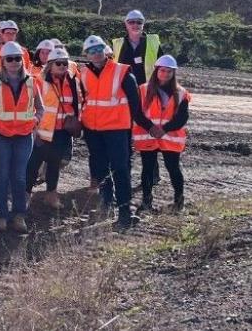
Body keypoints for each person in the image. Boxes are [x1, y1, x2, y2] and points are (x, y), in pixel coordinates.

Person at [79, 35, 145, 229]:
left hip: (117, 131)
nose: (96, 53)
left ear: (106, 50)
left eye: (99, 49)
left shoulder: (122, 72)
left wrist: (143, 128)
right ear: (86, 55)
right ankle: (106, 205)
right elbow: (85, 100)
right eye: (91, 51)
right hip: (93, 130)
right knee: (101, 170)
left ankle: (125, 213)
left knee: (120, 170)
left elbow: (135, 104)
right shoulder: (83, 74)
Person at [0, 42, 43, 233]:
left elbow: (40, 107)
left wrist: (35, 121)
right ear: (3, 61)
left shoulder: (32, 81)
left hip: (23, 136)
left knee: (19, 176)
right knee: (2, 174)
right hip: (0, 136)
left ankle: (19, 215)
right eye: (10, 59)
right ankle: (1, 215)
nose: (14, 62)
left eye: (17, 58)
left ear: (22, 60)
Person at [133, 55, 190, 211]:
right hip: (148, 135)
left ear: (173, 73)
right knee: (147, 169)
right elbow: (137, 113)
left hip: (169, 138)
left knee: (173, 169)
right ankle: (146, 201)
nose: (165, 74)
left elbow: (182, 117)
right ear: (156, 71)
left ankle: (179, 202)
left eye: (169, 72)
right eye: (162, 71)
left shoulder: (181, 93)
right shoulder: (143, 90)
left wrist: (163, 129)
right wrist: (151, 127)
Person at [28, 48, 79, 210]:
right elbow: (30, 106)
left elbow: (77, 104)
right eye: (59, 63)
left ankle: (51, 195)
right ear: (50, 65)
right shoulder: (38, 81)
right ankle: (24, 196)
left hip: (61, 132)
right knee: (33, 166)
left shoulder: (72, 82)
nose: (63, 66)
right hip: (41, 132)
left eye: (65, 63)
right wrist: (33, 130)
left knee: (54, 164)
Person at [113, 10, 162, 82]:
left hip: (147, 89)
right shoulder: (117, 44)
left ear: (143, 25)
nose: (135, 25)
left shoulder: (153, 42)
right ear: (126, 24)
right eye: (131, 22)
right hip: (124, 90)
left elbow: (163, 67)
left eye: (139, 22)